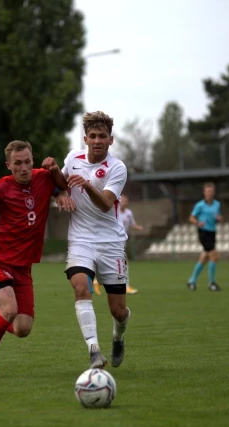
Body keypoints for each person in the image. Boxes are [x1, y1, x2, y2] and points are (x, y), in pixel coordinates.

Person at [0, 140, 72, 380]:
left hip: (23, 267)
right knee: (10, 310)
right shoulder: (2, 187)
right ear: (9, 165)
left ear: (33, 160)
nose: (24, 168)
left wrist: (61, 193)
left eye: (27, 162)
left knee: (22, 329)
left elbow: (60, 186)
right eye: (18, 163)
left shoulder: (43, 178)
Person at [43, 110, 131, 370]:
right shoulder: (73, 157)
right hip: (81, 239)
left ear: (110, 140)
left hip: (111, 243)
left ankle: (118, 336)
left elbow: (105, 204)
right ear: (85, 138)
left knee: (118, 311)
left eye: (102, 136)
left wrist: (87, 184)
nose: (97, 140)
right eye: (92, 136)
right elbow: (62, 185)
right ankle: (94, 350)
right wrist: (55, 171)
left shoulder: (117, 168)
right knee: (81, 288)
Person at [92, 194, 143, 295]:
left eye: (126, 201)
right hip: (113, 239)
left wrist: (138, 227)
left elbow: (132, 224)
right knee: (122, 262)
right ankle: (125, 286)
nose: (124, 202)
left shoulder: (129, 213)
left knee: (115, 262)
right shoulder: (114, 210)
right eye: (122, 200)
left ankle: (97, 282)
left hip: (122, 239)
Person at [186, 183, 223, 292]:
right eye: (207, 191)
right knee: (214, 256)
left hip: (212, 232)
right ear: (204, 193)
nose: (209, 193)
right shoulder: (200, 205)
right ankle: (211, 283)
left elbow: (218, 217)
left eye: (211, 191)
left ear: (214, 192)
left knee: (204, 258)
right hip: (203, 233)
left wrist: (219, 218)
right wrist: (197, 223)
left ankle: (192, 281)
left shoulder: (217, 204)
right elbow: (191, 218)